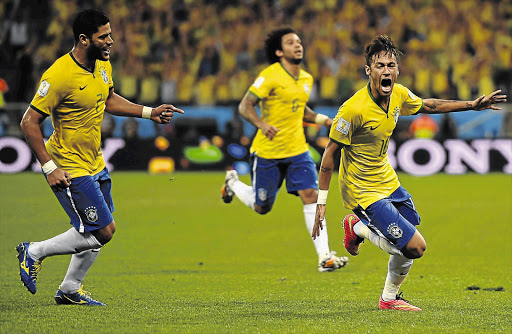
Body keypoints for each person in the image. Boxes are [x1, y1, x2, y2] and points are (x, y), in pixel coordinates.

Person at [312, 35, 506, 311]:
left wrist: (471, 105)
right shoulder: (352, 110)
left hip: (388, 181)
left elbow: (429, 105)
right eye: (380, 65)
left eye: (391, 64)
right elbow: (330, 154)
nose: (387, 70)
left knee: (410, 226)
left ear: (397, 69)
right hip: (362, 191)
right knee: (414, 246)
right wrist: (321, 201)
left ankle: (389, 299)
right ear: (369, 71)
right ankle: (356, 227)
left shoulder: (399, 94)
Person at [16, 9, 184, 306]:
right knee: (104, 231)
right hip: (68, 164)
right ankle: (34, 251)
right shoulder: (58, 75)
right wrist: (49, 166)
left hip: (95, 161)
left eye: (110, 34)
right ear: (83, 39)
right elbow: (28, 122)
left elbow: (107, 99)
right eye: (103, 36)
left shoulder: (103, 65)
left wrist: (150, 112)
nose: (111, 41)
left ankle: (70, 288)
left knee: (98, 225)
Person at [221, 28, 348, 272]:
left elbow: (300, 110)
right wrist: (261, 124)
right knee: (262, 207)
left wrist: (324, 120)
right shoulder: (269, 76)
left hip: (297, 150)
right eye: (290, 42)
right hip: (268, 152)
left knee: (311, 195)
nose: (297, 45)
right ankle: (233, 183)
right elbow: (245, 105)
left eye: (299, 41)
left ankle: (325, 257)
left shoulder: (306, 79)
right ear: (279, 51)